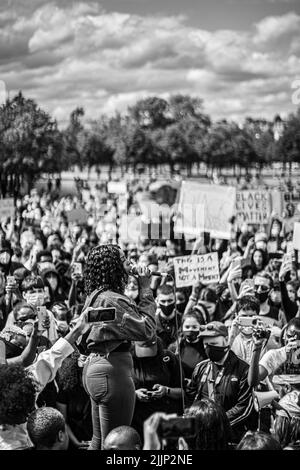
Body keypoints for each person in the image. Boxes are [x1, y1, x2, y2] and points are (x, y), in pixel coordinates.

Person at [81, 244, 156, 450]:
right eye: (124, 259)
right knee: (117, 444)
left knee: (99, 441)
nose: (130, 263)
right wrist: (146, 289)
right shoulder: (112, 299)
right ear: (113, 266)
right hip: (112, 372)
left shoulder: (97, 295)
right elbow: (147, 330)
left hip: (97, 369)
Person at [185, 321, 254, 442]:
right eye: (206, 345)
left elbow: (244, 407)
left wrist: (216, 423)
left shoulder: (243, 370)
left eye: (213, 344)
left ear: (226, 340)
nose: (208, 348)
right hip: (202, 435)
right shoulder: (201, 367)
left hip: (231, 436)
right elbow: (190, 398)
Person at [131, 336, 183, 440]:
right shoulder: (128, 360)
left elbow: (182, 392)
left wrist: (166, 390)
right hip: (138, 420)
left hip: (167, 418)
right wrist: (134, 394)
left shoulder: (169, 358)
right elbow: (118, 393)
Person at [248, 318, 300, 397]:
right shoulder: (274, 356)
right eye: (290, 336)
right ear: (284, 335)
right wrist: (257, 347)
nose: (292, 341)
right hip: (280, 407)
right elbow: (253, 382)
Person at [56, 351, 92, 449]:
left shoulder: (96, 387)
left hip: (94, 439)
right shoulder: (66, 388)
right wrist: (76, 442)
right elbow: (63, 421)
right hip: (74, 440)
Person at [168, 312, 206, 379]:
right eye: (187, 327)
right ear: (182, 328)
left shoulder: (206, 348)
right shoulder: (174, 348)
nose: (190, 330)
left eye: (194, 327)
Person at [155, 284, 182, 349]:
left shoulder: (183, 320)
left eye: (170, 301)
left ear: (175, 300)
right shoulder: (152, 323)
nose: (166, 304)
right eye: (163, 301)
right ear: (157, 301)